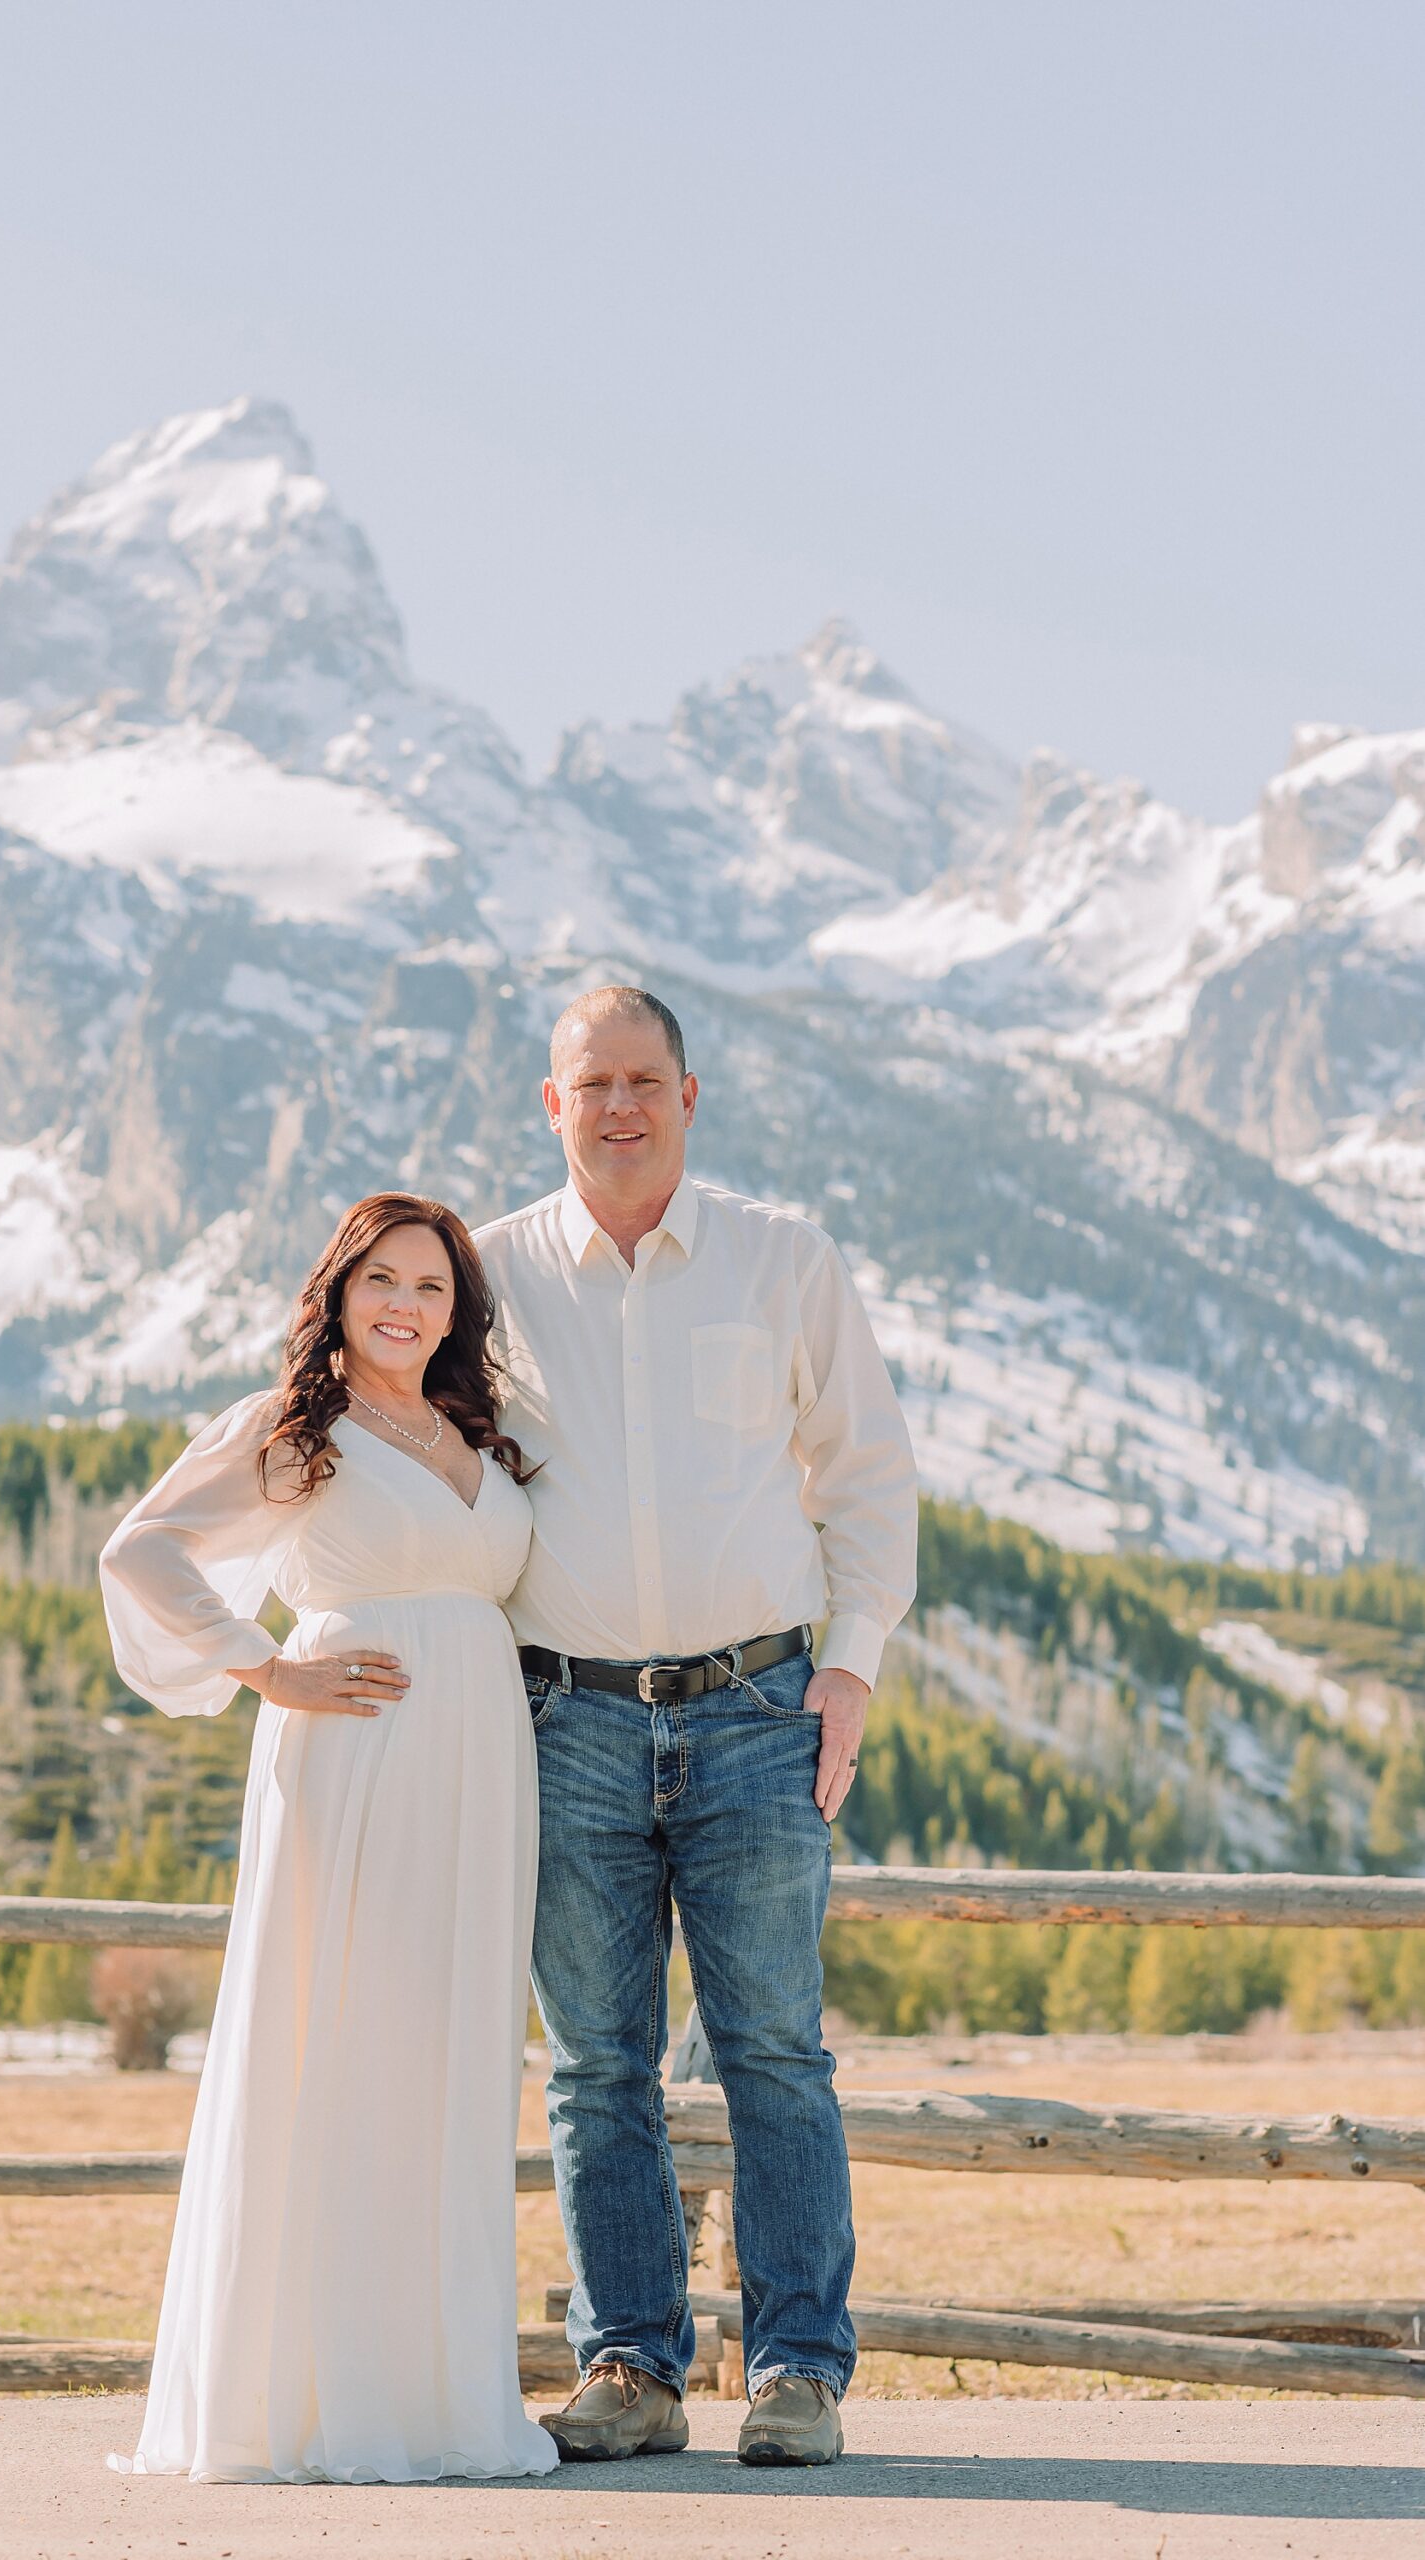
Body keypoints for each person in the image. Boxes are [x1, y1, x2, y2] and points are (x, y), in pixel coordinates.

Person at [476, 985, 917, 2467]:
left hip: (755, 1710)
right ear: (552, 1103)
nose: (619, 1106)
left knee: (773, 2052)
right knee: (596, 2065)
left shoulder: (783, 1259)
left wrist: (850, 1667)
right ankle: (632, 2369)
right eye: (591, 1083)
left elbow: (866, 1474)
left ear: (688, 1096)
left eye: (644, 1081)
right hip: (566, 1719)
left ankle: (796, 2371)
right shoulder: (487, 1276)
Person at [98, 1192, 558, 2487]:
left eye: (431, 1285)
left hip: (480, 1771)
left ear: (458, 1310)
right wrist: (265, 1667)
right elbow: (143, 1552)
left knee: (451, 2058)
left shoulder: (474, 1433)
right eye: (381, 1282)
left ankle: (435, 2396)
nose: (405, 1305)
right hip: (357, 1760)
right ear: (339, 1296)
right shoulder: (298, 1428)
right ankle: (315, 2395)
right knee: (346, 2042)